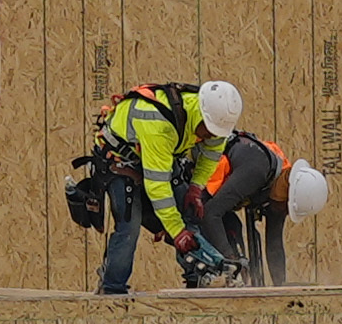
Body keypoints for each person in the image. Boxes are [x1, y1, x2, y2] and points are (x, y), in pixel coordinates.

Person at [93, 80, 238, 294]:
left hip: (162, 159)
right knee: (128, 228)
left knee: (188, 215)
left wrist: (196, 188)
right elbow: (157, 186)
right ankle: (112, 289)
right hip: (120, 161)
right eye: (208, 131)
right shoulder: (158, 122)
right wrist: (177, 232)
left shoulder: (216, 122)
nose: (210, 136)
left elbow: (210, 155)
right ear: (202, 115)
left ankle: (197, 279)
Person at [189, 134, 328, 285]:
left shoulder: (278, 190)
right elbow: (210, 213)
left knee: (234, 243)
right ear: (286, 190)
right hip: (194, 188)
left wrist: (280, 289)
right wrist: (231, 260)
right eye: (287, 208)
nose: (285, 212)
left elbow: (274, 243)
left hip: (213, 202)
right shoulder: (256, 171)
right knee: (227, 240)